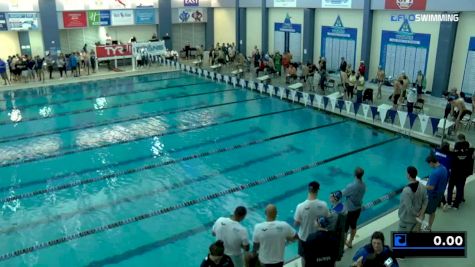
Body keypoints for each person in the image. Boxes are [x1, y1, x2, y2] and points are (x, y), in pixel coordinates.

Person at [294, 181, 329, 266]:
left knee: (303, 257)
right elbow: (327, 219)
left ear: (308, 190)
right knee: (316, 257)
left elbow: (296, 224)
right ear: (318, 190)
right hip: (318, 238)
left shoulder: (300, 206)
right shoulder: (324, 205)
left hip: (304, 238)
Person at [398, 166, 428, 232]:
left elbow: (409, 208)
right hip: (416, 220)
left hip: (406, 221)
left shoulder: (406, 191)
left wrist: (416, 214)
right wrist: (421, 213)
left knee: (400, 241)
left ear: (408, 175)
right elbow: (425, 201)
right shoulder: (422, 186)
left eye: (406, 173)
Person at [423, 155, 448, 231]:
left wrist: (421, 185)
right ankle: (429, 227)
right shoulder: (443, 168)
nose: (429, 166)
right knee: (432, 211)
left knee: (422, 211)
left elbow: (431, 187)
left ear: (431, 162)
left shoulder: (435, 172)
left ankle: (421, 228)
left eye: (429, 164)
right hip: (439, 195)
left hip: (432, 196)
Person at [343, 167, 366, 248]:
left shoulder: (351, 186)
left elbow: (342, 194)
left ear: (354, 174)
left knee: (345, 228)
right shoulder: (363, 185)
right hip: (358, 209)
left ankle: (342, 246)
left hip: (349, 210)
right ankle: (350, 242)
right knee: (353, 226)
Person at [449, 134, 474, 209]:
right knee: (460, 187)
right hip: (464, 173)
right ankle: (458, 203)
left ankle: (449, 202)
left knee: (451, 187)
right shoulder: (469, 150)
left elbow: (452, 158)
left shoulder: (455, 152)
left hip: (455, 172)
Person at [327, 190, 347, 261]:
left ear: (335, 198)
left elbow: (333, 224)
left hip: (336, 232)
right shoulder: (339, 205)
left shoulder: (336, 211)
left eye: (331, 197)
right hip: (340, 229)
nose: (329, 198)